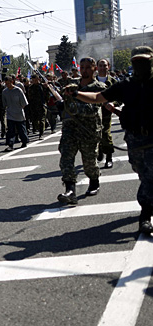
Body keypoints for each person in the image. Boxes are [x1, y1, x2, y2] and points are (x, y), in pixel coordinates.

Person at [68, 46, 153, 234]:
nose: (141, 66)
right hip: (135, 140)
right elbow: (98, 97)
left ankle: (145, 214)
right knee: (142, 173)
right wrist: (76, 94)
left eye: (145, 62)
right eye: (137, 62)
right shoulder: (126, 85)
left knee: (150, 178)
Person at [56, 57, 105, 205]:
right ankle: (70, 191)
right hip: (70, 129)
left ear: (94, 68)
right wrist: (61, 105)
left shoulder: (98, 87)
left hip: (89, 130)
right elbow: (65, 103)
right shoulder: (72, 85)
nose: (84, 70)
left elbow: (92, 110)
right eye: (82, 67)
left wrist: (73, 105)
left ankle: (94, 181)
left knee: (89, 162)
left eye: (87, 67)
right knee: (66, 159)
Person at [96, 58, 119, 169]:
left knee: (106, 133)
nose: (102, 68)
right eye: (100, 65)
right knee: (95, 134)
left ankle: (109, 158)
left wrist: (113, 103)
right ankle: (99, 150)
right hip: (93, 113)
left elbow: (120, 97)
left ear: (108, 67)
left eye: (104, 65)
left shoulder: (113, 82)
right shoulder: (92, 81)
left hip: (106, 112)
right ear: (96, 67)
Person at [2, 76, 29, 152]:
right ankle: (10, 144)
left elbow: (24, 102)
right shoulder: (5, 92)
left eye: (9, 83)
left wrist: (20, 108)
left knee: (21, 129)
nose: (7, 85)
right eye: (6, 83)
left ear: (12, 82)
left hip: (19, 113)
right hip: (10, 114)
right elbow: (4, 104)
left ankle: (24, 141)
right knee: (11, 130)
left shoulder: (18, 90)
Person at [27, 75, 48, 139]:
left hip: (41, 105)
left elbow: (47, 95)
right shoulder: (31, 87)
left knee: (41, 119)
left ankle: (41, 134)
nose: (34, 81)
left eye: (35, 79)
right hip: (33, 106)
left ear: (38, 79)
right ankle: (44, 126)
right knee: (35, 121)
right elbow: (29, 97)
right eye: (33, 80)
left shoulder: (42, 86)